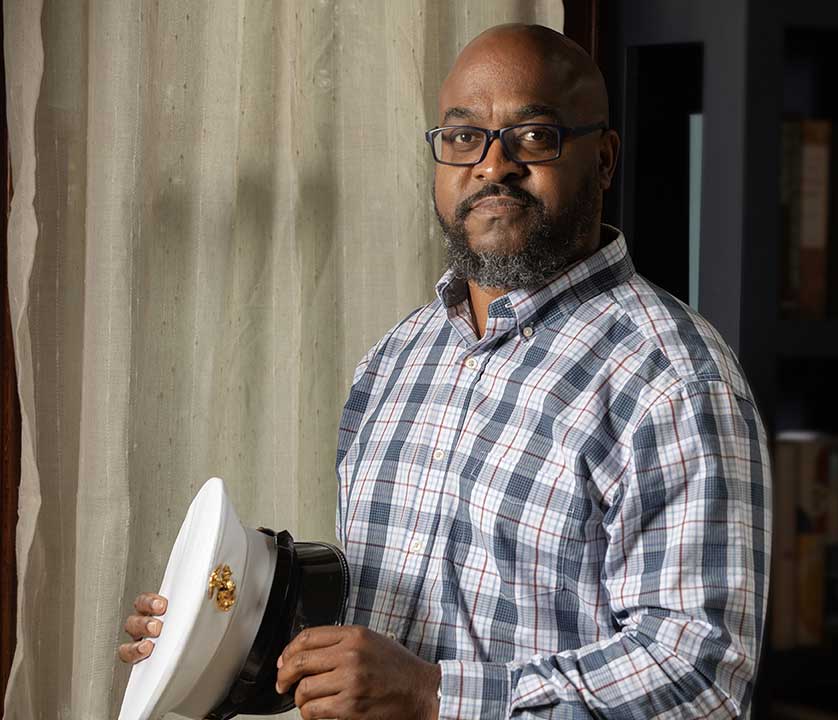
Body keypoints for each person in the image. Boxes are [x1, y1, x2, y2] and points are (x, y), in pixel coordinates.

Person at [120, 23, 772, 720]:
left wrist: (435, 695)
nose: (493, 166)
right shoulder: (399, 358)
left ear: (604, 160)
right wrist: (213, 635)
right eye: (464, 137)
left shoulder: (674, 381)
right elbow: (383, 637)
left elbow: (699, 683)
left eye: (533, 136)